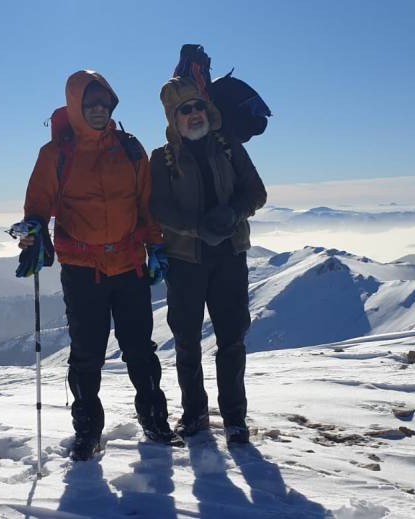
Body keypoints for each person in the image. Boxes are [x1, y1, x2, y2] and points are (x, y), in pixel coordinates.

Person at [16, 70, 175, 461]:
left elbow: (145, 205)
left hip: (128, 264)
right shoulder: (56, 154)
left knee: (140, 348)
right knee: (86, 353)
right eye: (90, 104)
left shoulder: (131, 149)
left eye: (104, 103)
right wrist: (33, 232)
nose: (99, 110)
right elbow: (38, 204)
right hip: (82, 268)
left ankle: (155, 420)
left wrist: (156, 246)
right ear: (76, 107)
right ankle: (87, 431)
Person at [148, 76, 267, 445]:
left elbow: (256, 192)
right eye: (186, 109)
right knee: (187, 341)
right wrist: (198, 228)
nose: (195, 113)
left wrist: (232, 214)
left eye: (199, 105)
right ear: (173, 116)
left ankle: (234, 418)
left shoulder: (227, 146)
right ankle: (195, 414)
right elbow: (157, 207)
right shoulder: (161, 158)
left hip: (229, 255)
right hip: (186, 260)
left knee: (232, 338)